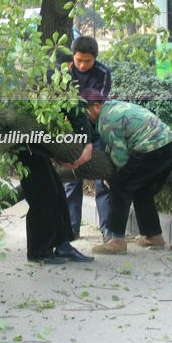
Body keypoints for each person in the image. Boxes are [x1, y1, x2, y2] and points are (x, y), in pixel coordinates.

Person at [79, 89, 172, 255]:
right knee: (141, 189)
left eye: (85, 111)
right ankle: (154, 236)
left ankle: (116, 240)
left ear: (96, 106)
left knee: (121, 185)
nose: (85, 116)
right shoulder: (113, 106)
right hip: (170, 145)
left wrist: (112, 178)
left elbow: (121, 157)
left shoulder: (105, 121)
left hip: (152, 148)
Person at [58, 36, 112, 241]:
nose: (82, 65)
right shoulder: (64, 70)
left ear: (95, 59)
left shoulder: (103, 73)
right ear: (73, 56)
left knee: (102, 179)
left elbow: (92, 105)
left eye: (87, 61)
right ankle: (72, 228)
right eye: (79, 60)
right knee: (72, 179)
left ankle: (107, 228)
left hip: (97, 131)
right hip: (73, 134)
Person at [16, 144, 95, 264]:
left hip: (38, 148)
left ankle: (62, 244)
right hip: (27, 147)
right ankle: (38, 251)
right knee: (42, 197)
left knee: (58, 194)